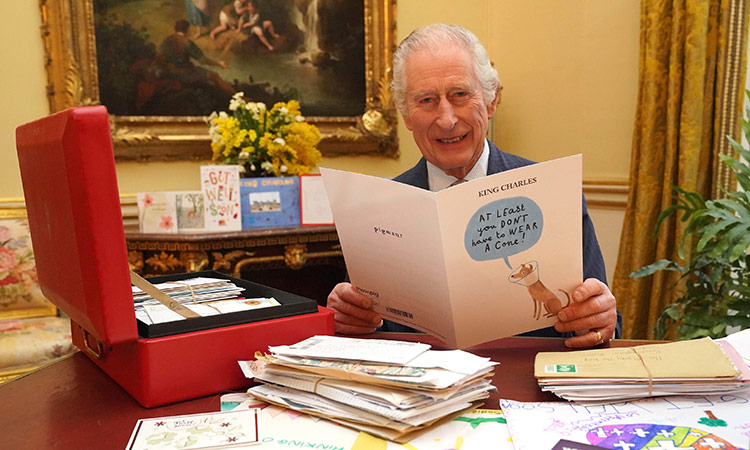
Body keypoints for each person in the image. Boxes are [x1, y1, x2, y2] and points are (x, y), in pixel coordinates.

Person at [326, 23, 621, 349]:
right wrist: (345, 318)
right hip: (420, 394)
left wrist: (600, 320)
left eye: (460, 95)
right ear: (406, 116)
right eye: (426, 100)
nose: (447, 119)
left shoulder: (554, 195)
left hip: (526, 387)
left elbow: (603, 329)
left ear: (492, 100)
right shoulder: (377, 208)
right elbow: (362, 330)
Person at [155, 19, 235, 98]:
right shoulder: (187, 42)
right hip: (185, 72)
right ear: (187, 30)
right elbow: (202, 60)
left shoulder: (167, 40)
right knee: (215, 76)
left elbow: (159, 56)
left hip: (169, 72)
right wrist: (219, 63)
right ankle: (239, 98)